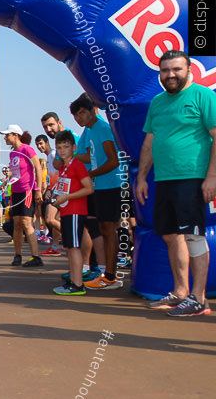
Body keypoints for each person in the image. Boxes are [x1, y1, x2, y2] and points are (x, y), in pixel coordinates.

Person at [135, 49, 216, 316]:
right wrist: (142, 178)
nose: (170, 75)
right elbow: (149, 141)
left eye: (176, 69)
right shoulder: (157, 102)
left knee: (193, 236)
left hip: (193, 178)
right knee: (171, 236)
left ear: (188, 69)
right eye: (165, 70)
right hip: (164, 180)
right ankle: (180, 292)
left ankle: (199, 299)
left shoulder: (204, 96)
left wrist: (212, 176)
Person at [70, 94, 126, 290]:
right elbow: (90, 156)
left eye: (82, 113)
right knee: (104, 229)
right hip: (101, 186)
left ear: (92, 110)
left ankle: (111, 276)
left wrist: (92, 173)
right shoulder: (91, 130)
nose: (79, 118)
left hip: (111, 185)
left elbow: (113, 160)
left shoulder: (102, 128)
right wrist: (73, 157)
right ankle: (107, 274)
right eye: (76, 115)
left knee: (109, 230)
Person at [51, 131, 94, 295]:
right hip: (67, 211)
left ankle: (77, 284)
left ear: (73, 147)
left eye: (66, 147)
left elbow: (89, 188)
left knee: (74, 247)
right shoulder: (63, 167)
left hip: (76, 211)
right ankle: (75, 280)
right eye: (59, 147)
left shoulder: (77, 165)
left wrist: (66, 197)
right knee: (69, 247)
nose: (62, 150)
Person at [1, 125, 44, 267]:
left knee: (26, 222)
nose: (5, 138)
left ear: (16, 135)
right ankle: (18, 255)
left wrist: (37, 189)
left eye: (7, 135)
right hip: (16, 191)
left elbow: (38, 167)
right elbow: (15, 173)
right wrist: (6, 183)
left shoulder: (27, 149)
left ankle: (35, 256)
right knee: (17, 224)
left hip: (27, 190)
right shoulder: (13, 153)